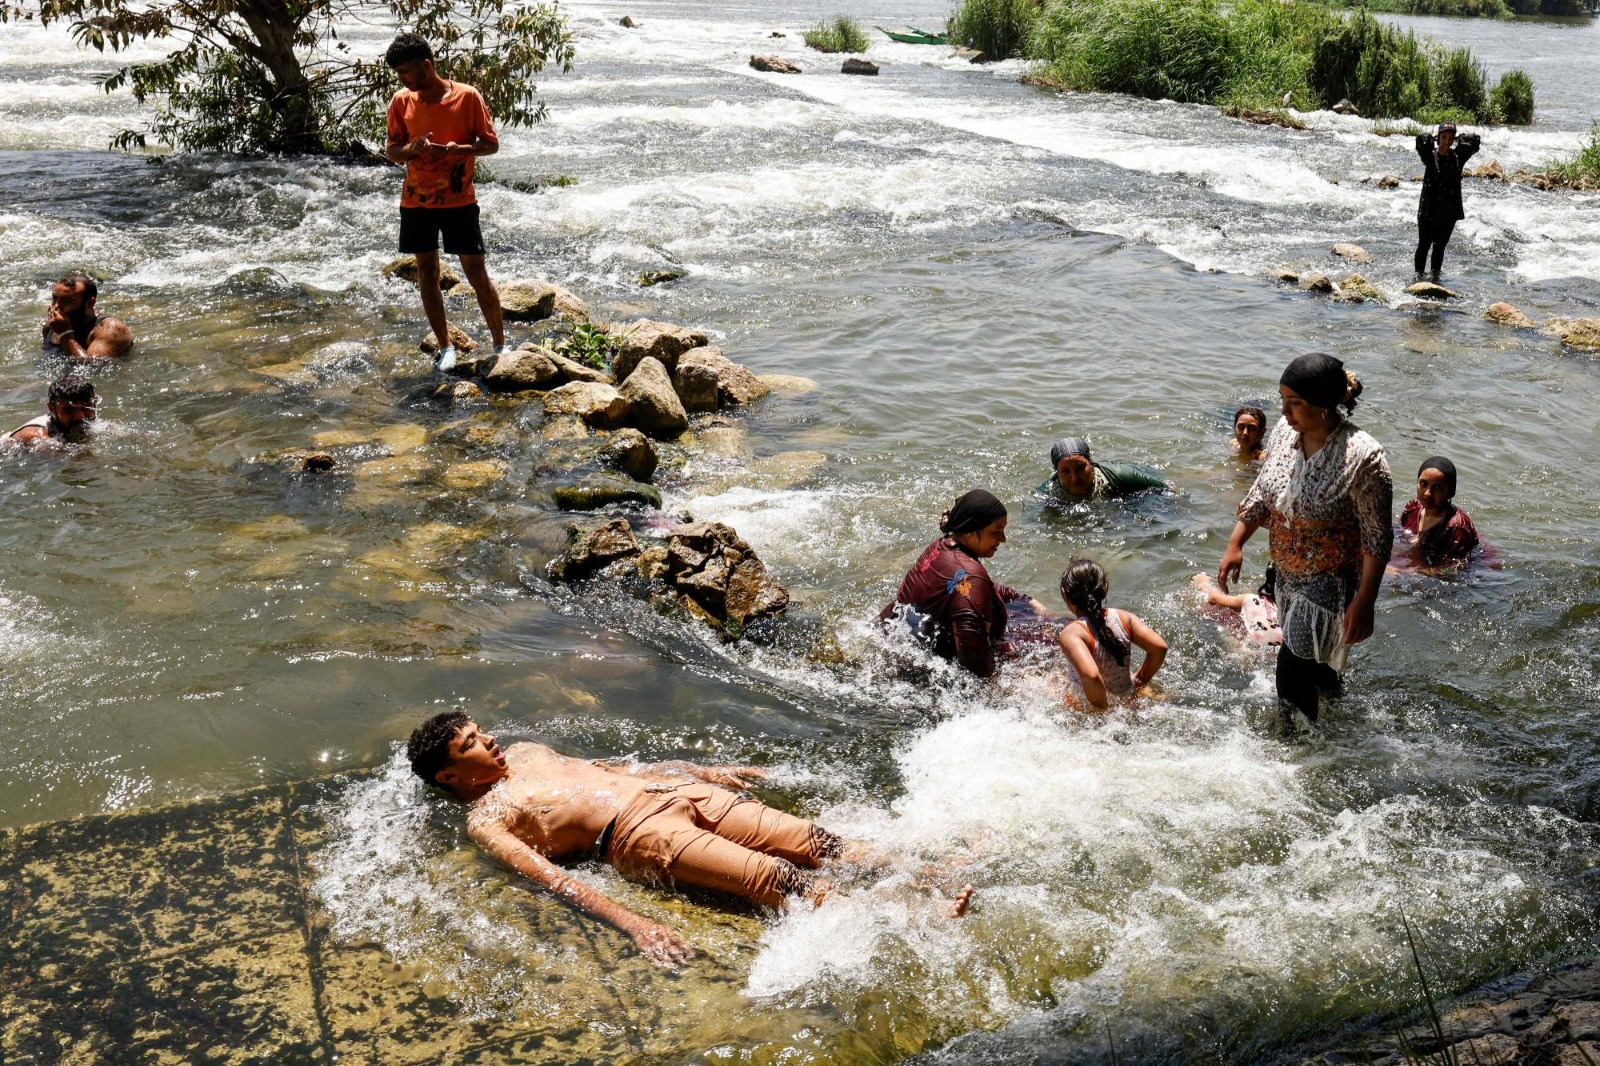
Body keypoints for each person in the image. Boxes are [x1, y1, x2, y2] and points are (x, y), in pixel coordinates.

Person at [407, 711, 972, 968]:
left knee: (817, 841)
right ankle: (912, 918)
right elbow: (553, 880)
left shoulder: (528, 752)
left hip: (672, 792)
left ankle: (929, 872)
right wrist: (635, 923)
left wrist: (699, 770)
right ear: (451, 777)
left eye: (482, 732)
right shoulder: (487, 819)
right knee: (777, 879)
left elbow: (614, 766)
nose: (492, 741)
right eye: (473, 744)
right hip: (638, 835)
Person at [1218, 353, 1393, 722]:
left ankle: (1297, 747)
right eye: (1283, 400)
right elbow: (1263, 494)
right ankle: (1337, 723)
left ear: (1326, 404)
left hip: (1330, 579)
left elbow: (1378, 539)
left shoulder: (1364, 457)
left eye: (1295, 403)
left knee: (1291, 669)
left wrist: (1365, 602)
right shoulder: (1285, 434)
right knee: (1318, 666)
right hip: (1285, 573)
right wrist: (1236, 544)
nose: (1284, 411)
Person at [384, 33, 506, 372]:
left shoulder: (467, 97)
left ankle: (500, 344)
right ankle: (446, 347)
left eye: (406, 72)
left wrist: (459, 151)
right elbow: (393, 151)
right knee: (427, 273)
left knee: (476, 272)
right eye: (398, 74)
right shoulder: (401, 101)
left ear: (427, 65)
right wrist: (412, 149)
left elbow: (491, 144)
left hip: (459, 201)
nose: (402, 80)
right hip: (416, 202)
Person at [879, 489, 1044, 679]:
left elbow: (964, 584)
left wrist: (1022, 600)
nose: (1003, 539)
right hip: (928, 671)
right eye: (996, 531)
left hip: (898, 642)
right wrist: (992, 686)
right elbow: (972, 651)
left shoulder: (942, 545)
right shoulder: (971, 576)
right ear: (971, 531)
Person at [1056, 558, 1167, 712]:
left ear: (1064, 594)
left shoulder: (1073, 633)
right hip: (1125, 697)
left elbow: (1092, 676)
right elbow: (1159, 648)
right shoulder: (1124, 618)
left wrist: (1102, 708)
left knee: (1044, 682)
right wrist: (1139, 682)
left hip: (1087, 707)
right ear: (1105, 588)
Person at [1414, 122, 1480, 283]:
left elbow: (1475, 141)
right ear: (1438, 138)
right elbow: (1420, 142)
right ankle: (1418, 279)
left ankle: (1435, 279)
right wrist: (1430, 138)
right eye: (1444, 137)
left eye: (1451, 138)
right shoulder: (1430, 157)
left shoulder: (1458, 158)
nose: (1447, 141)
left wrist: (1461, 138)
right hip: (1429, 210)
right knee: (1424, 245)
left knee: (1440, 247)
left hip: (1448, 211)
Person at [1394, 456, 1485, 570]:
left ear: (1450, 492)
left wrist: (1408, 572)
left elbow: (1453, 570)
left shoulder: (1456, 527)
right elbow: (1397, 534)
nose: (1427, 493)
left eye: (1437, 488)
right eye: (1423, 483)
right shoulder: (1413, 507)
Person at [1039, 438, 1168, 502]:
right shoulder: (1047, 493)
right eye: (1066, 471)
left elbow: (1166, 490)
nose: (1075, 478)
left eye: (1080, 468)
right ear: (1057, 472)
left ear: (1091, 463)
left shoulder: (1122, 475)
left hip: (1146, 476)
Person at [41, 273, 133, 359]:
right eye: (54, 298)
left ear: (90, 303)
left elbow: (92, 369)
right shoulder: (52, 326)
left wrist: (65, 334)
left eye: (66, 300)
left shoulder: (111, 330)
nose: (56, 307)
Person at [1192, 569, 1283, 651]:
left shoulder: (1252, 600)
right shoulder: (1290, 611)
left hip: (1248, 645)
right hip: (1277, 648)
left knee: (1217, 610)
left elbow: (1213, 598)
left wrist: (1203, 583)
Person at [4, 374, 98, 447]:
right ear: (51, 408)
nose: (79, 416)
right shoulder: (37, 437)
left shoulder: (87, 424)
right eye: (69, 410)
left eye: (86, 408)